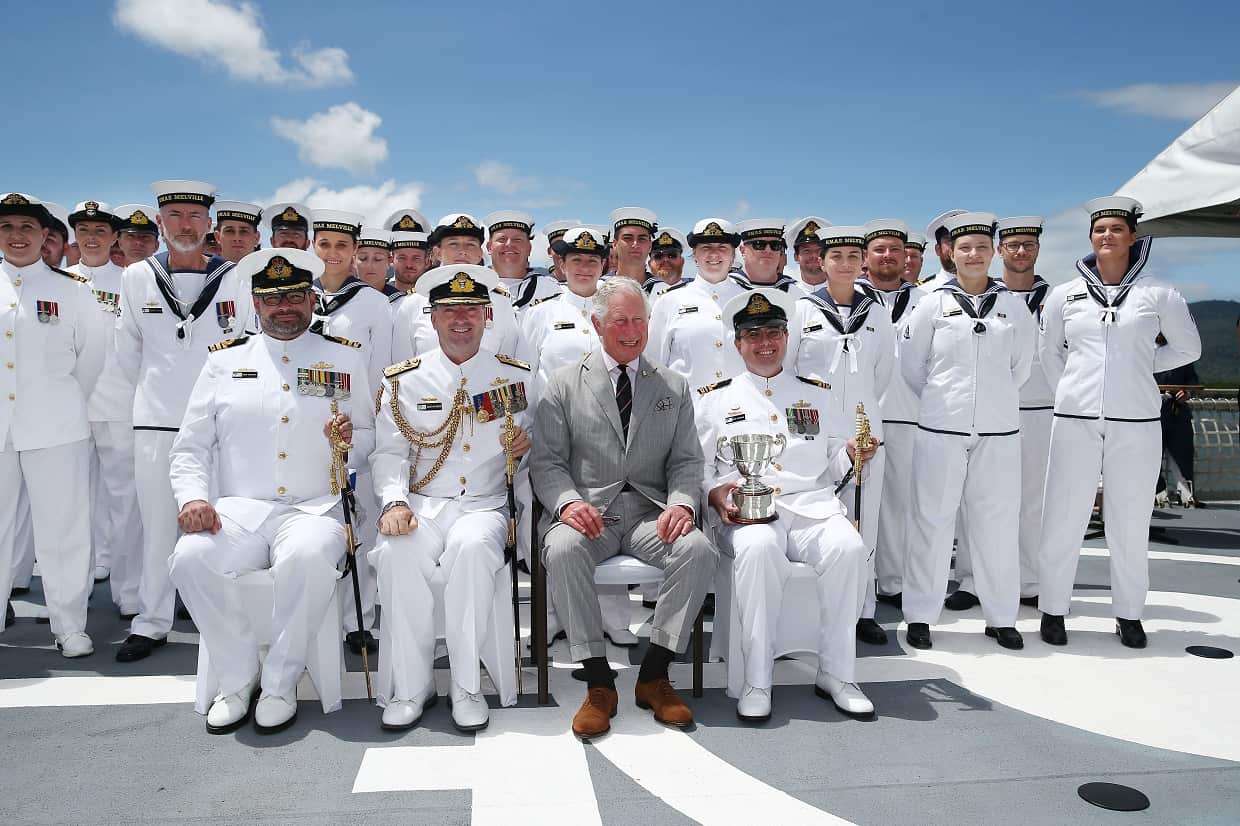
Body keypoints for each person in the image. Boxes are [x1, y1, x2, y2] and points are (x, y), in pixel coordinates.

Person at [167, 247, 373, 734]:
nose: (286, 307)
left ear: (310, 300)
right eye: (274, 298)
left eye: (296, 296)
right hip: (241, 511)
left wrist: (350, 444)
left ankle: (280, 684)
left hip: (314, 509)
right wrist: (193, 498)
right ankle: (239, 678)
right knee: (190, 558)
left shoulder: (343, 358)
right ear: (255, 305)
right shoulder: (224, 363)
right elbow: (190, 446)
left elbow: (370, 437)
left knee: (306, 558)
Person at [531, 277, 718, 740]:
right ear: (597, 324)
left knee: (698, 551)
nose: (631, 330)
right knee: (561, 550)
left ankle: (654, 674)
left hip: (650, 514)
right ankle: (598, 681)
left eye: (639, 320)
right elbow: (547, 462)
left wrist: (681, 504)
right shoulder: (563, 385)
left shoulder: (673, 385)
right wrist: (568, 502)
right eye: (620, 321)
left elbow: (688, 461)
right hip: (589, 512)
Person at [369, 264, 533, 732]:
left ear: (487, 316)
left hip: (483, 504)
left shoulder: (514, 376)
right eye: (448, 311)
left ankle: (466, 685)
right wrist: (394, 501)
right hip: (423, 504)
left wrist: (525, 450)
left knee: (472, 547)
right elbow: (389, 453)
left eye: (469, 310)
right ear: (432, 317)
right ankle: (413, 685)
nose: (460, 319)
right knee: (396, 553)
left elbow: (537, 442)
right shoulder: (404, 379)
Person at [698, 288, 875, 722]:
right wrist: (714, 494)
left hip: (811, 507)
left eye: (774, 332)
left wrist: (853, 453)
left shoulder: (816, 393)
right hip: (748, 512)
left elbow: (832, 463)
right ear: (738, 344)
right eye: (754, 335)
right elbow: (699, 467)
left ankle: (837, 673)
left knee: (850, 549)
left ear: (787, 337)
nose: (765, 343)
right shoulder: (714, 398)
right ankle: (757, 680)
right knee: (758, 550)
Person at [1037, 196, 1201, 649]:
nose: (1106, 236)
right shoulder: (1063, 294)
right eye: (1099, 230)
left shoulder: (1159, 294)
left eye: (1115, 229)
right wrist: (1071, 388)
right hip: (1075, 419)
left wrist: (1139, 365)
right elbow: (1049, 352)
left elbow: (1189, 349)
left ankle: (1129, 614)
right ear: (1090, 237)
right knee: (1063, 517)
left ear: (1133, 237)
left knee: (1130, 520)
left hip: (1136, 419)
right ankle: (1053, 609)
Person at [115, 180, 253, 664]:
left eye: (195, 216)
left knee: (221, 526)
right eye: (175, 215)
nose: (186, 225)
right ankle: (151, 621)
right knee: (157, 527)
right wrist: (158, 399)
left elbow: (248, 349)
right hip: (158, 422)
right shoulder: (136, 277)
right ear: (160, 223)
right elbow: (128, 352)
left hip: (221, 425)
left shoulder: (236, 278)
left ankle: (221, 615)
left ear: (209, 225)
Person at [901, 212, 1036, 651]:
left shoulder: (1014, 306)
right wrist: (951, 404)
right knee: (932, 521)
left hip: (998, 432)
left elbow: (1021, 368)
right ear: (951, 253)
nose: (973, 254)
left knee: (996, 525)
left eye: (981, 246)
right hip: (941, 428)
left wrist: (989, 404)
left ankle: (1001, 616)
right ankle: (921, 614)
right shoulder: (930, 304)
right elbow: (913, 368)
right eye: (964, 248)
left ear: (993, 252)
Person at [0, 193, 106, 656]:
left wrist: (58, 402)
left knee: (63, 529)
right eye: (6, 227)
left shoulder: (72, 291)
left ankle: (69, 625)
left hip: (57, 427)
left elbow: (93, 359)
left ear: (46, 236)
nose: (17, 236)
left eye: (27, 227)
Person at [790, 225, 896, 645]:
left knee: (863, 520)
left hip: (863, 430)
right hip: (814, 431)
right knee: (815, 516)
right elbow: (792, 373)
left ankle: (860, 610)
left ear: (863, 262)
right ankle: (812, 609)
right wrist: (803, 436)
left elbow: (883, 373)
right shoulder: (802, 311)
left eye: (854, 257)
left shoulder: (877, 312)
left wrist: (865, 420)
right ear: (821, 261)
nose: (846, 264)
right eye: (837, 257)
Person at [947, 217, 1050, 611]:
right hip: (985, 411)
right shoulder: (979, 297)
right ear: (999, 251)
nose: (1021, 251)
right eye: (1013, 245)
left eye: (1029, 244)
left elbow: (1058, 352)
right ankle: (972, 580)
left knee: (1031, 500)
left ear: (1038, 250)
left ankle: (1028, 578)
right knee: (973, 500)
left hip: (1040, 408)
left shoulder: (1055, 298)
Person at [309, 208, 393, 653]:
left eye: (342, 246)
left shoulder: (374, 304)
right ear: (313, 247)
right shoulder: (296, 296)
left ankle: (356, 616)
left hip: (358, 427)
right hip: (306, 430)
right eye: (325, 244)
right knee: (315, 521)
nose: (333, 254)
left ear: (356, 252)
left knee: (358, 524)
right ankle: (317, 610)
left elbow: (383, 371)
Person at [68, 200, 141, 604]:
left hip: (119, 402)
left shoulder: (133, 280)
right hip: (69, 408)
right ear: (74, 236)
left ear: (115, 237)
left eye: (100, 230)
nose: (91, 237)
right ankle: (71, 592)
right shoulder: (59, 280)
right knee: (71, 502)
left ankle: (129, 593)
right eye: (83, 230)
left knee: (125, 502)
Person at [391, 214, 522, 362]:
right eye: (453, 244)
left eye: (470, 244)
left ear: (480, 253)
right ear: (437, 253)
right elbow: (401, 366)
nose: (462, 251)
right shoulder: (413, 303)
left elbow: (508, 361)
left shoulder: (500, 300)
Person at [646, 218, 748, 394]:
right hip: (689, 413)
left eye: (722, 248)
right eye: (706, 248)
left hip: (743, 410)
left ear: (733, 255)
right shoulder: (669, 302)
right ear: (695, 255)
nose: (714, 255)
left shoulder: (749, 299)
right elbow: (654, 365)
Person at [483, 210, 560, 311]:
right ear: (489, 247)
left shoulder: (551, 289)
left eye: (517, 240)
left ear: (529, 248)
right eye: (502, 239)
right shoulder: (477, 286)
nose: (509, 244)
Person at [1154, 362, 1200, 506]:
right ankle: (1157, 492)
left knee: (1183, 454)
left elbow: (1192, 380)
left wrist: (1187, 392)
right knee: (1151, 457)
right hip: (1152, 414)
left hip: (1177, 413)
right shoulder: (1145, 348)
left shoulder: (1183, 353)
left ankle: (1187, 493)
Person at [734, 219, 803, 293]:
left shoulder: (797, 293)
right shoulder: (725, 289)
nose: (768, 250)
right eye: (759, 244)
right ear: (743, 250)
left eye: (775, 245)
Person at [917, 209, 967, 290]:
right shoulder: (922, 293)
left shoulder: (991, 290)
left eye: (963, 240)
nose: (958, 246)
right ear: (938, 249)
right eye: (950, 240)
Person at [607, 207, 657, 284]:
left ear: (650, 246)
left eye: (642, 239)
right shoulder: (597, 289)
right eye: (628, 238)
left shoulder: (666, 290)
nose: (635, 244)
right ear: (615, 244)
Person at [644, 228, 690, 299]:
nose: (666, 260)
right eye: (658, 256)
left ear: (682, 261)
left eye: (672, 255)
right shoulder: (641, 293)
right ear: (650, 263)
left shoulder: (695, 290)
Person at [786, 216, 830, 289]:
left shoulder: (847, 293)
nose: (814, 255)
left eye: (819, 250)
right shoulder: (785, 295)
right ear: (796, 257)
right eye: (806, 251)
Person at [389, 231, 432, 302]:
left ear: (427, 262)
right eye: (402, 258)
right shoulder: (378, 297)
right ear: (391, 260)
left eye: (416, 258)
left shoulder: (435, 298)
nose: (409, 265)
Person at [354, 227, 395, 295]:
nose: (369, 265)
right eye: (363, 258)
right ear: (354, 261)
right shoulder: (342, 300)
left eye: (378, 259)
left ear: (389, 261)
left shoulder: (402, 302)